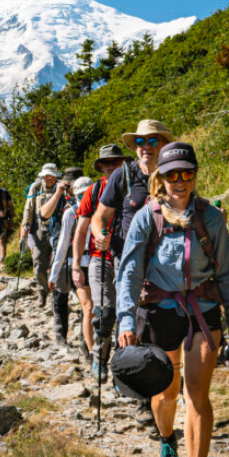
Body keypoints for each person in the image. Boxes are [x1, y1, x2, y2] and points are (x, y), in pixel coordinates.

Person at [116, 142, 229, 457]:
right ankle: (167, 439)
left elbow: (226, 273)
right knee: (167, 391)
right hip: (160, 312)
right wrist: (126, 318)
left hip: (202, 311)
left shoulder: (211, 218)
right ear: (162, 178)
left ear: (195, 174)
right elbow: (129, 272)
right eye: (172, 174)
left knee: (197, 394)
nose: (180, 180)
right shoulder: (148, 218)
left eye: (187, 173)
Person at [89, 121, 173, 380]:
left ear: (163, 144)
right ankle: (124, 371)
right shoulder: (123, 175)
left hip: (165, 262)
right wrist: (99, 235)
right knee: (126, 315)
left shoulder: (174, 174)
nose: (146, 147)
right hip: (126, 260)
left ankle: (158, 376)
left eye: (152, 141)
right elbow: (98, 217)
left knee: (151, 320)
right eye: (140, 142)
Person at [73, 144, 130, 371]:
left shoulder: (134, 189)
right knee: (106, 312)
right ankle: (99, 358)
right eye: (107, 163)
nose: (111, 166)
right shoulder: (94, 191)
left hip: (127, 258)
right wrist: (76, 265)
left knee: (127, 313)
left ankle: (122, 366)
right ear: (101, 167)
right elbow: (80, 230)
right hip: (100, 258)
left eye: (115, 162)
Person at [49, 176, 93, 347]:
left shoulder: (102, 211)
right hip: (78, 264)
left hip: (96, 263)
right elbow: (62, 246)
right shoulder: (70, 213)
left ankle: (88, 343)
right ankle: (88, 349)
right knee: (87, 306)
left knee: (93, 308)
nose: (83, 198)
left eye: (87, 194)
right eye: (80, 194)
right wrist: (54, 274)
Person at [20, 163, 63, 307]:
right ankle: (42, 292)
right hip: (39, 229)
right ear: (42, 176)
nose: (49, 178)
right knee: (38, 262)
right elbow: (29, 208)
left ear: (56, 176)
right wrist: (26, 224)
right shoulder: (36, 187)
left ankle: (58, 293)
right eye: (46, 176)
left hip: (58, 228)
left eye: (51, 176)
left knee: (57, 262)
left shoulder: (61, 188)